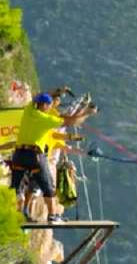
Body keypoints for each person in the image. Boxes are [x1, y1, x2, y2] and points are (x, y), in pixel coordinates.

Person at [9, 92, 97, 222]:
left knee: (16, 187)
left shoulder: (28, 111)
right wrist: (87, 113)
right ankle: (53, 216)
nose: (50, 108)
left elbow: (38, 97)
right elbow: (72, 121)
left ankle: (16, 215)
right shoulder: (46, 120)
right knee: (48, 186)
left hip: (18, 155)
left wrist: (57, 92)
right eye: (49, 105)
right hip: (35, 156)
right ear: (44, 105)